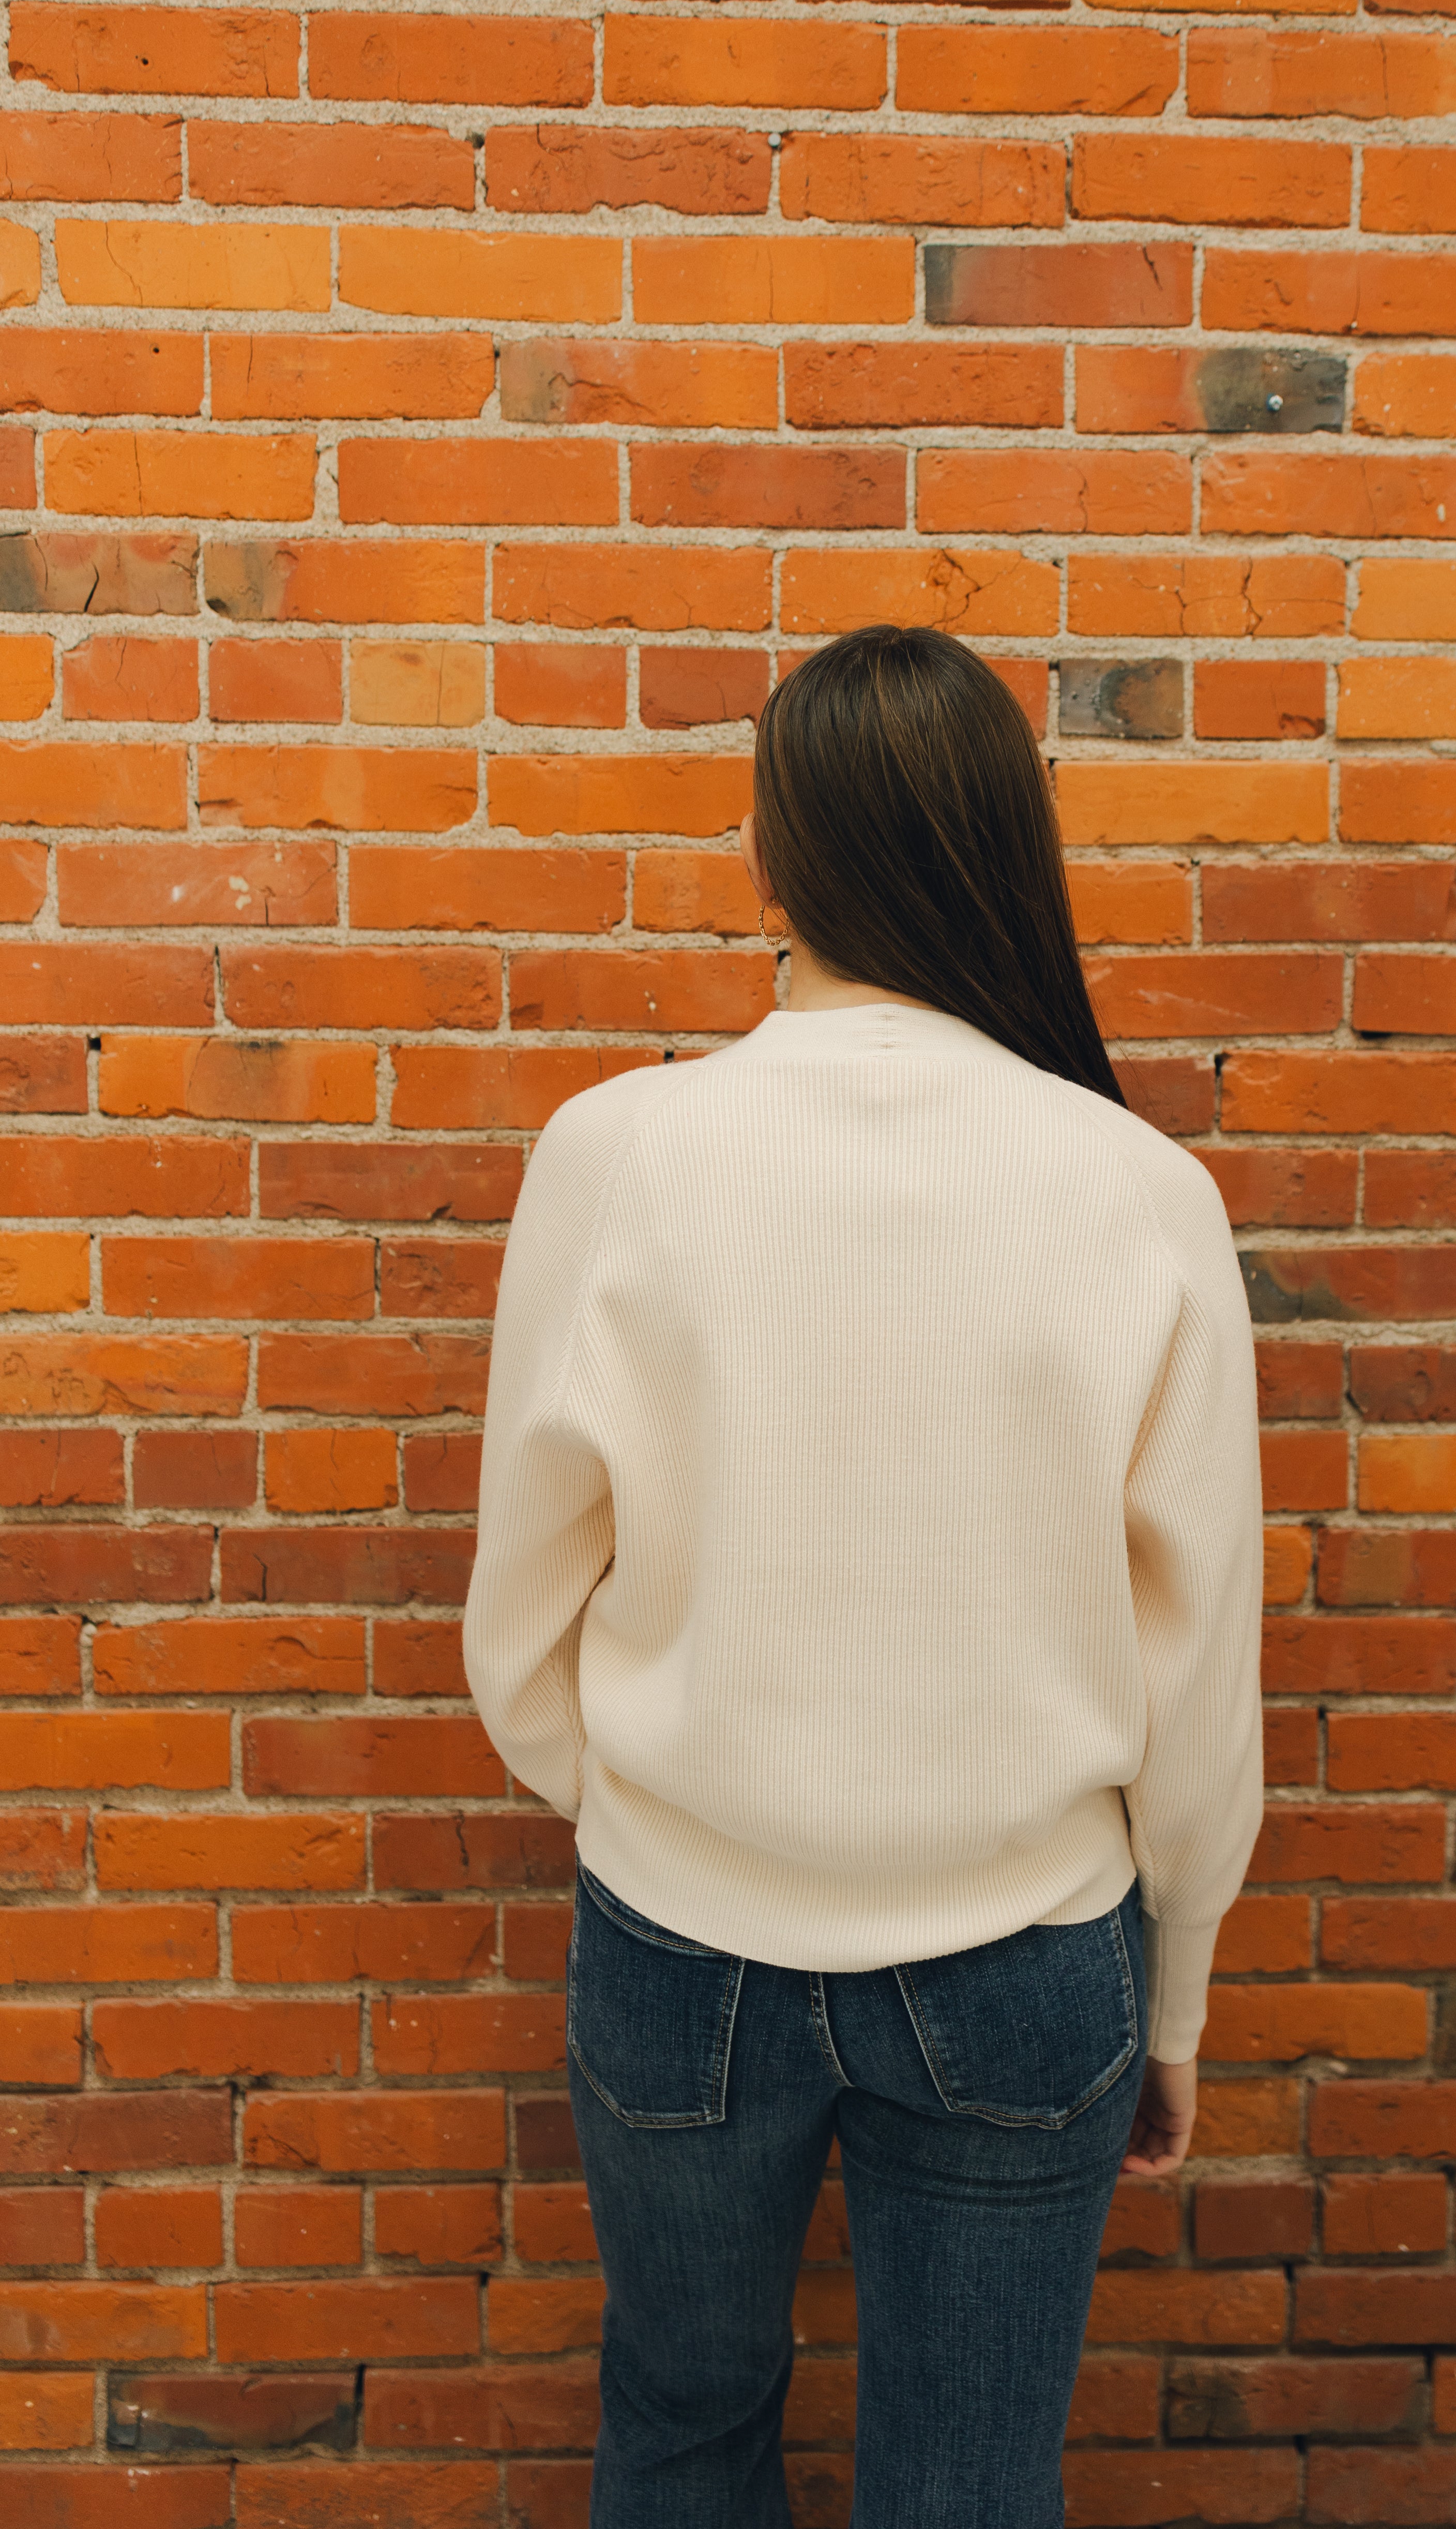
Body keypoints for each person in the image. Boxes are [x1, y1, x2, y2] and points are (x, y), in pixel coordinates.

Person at [464, 624, 1265, 2529]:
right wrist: (1178, 2003)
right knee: (971, 2483)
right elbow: (1201, 1670)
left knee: (679, 2426)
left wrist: (660, 1805)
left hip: (676, 1949)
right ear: (1009, 845)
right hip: (1027, 1963)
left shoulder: (616, 1152)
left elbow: (519, 1618)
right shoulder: (1139, 1191)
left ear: (768, 850)